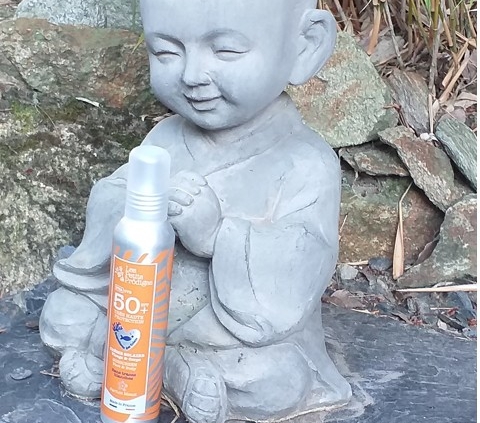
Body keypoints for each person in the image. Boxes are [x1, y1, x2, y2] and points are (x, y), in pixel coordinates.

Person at [40, 0, 352, 421]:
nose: (191, 75)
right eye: (166, 52)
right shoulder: (165, 138)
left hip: (225, 337)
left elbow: (304, 258)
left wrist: (217, 235)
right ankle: (170, 370)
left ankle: (140, 366)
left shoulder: (306, 161)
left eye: (225, 51)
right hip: (140, 308)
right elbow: (112, 198)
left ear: (305, 46)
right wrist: (140, 206)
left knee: (278, 380)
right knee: (64, 313)